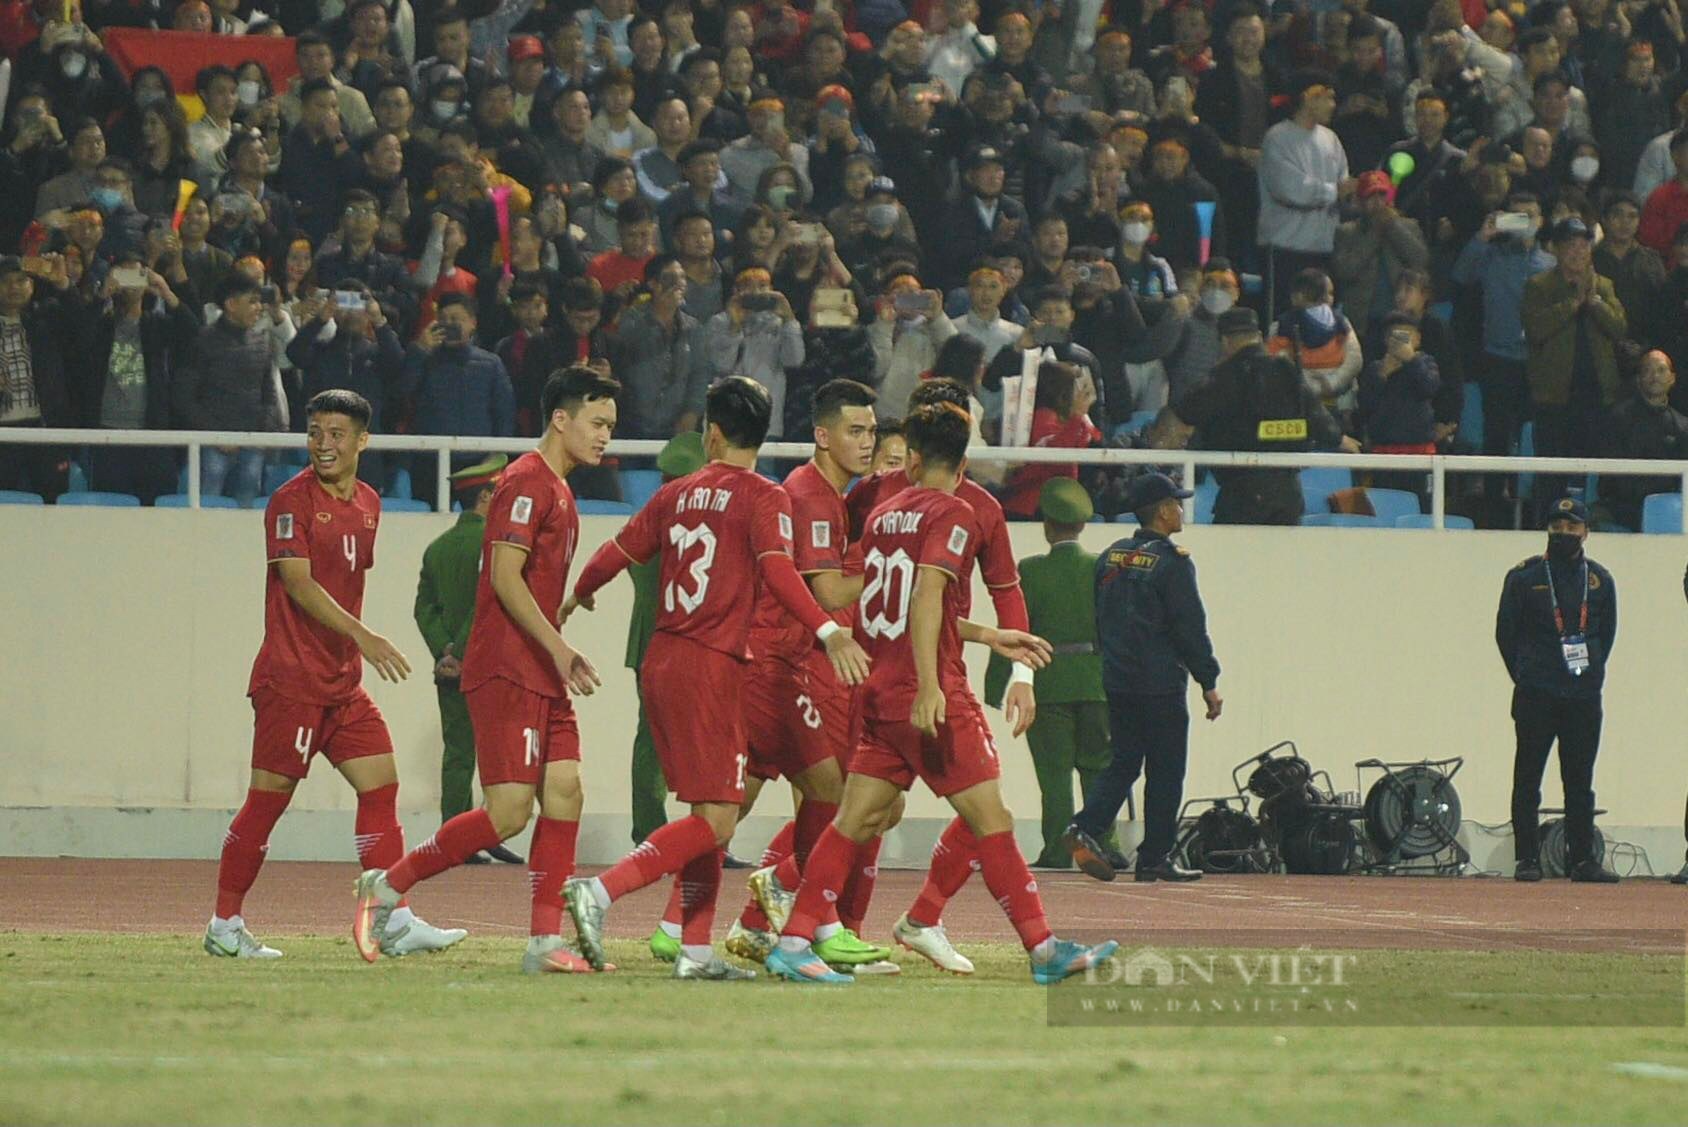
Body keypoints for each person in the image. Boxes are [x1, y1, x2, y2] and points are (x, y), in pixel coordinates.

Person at [759, 402, 1117, 985]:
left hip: (877, 690)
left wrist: (989, 635)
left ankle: (794, 940)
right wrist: (931, 685)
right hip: (928, 691)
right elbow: (926, 597)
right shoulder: (955, 514)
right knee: (991, 818)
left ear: (916, 457)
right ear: (965, 459)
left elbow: (889, 603)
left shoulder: (884, 512)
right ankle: (1042, 947)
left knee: (854, 819)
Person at [560, 376, 871, 980]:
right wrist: (829, 629)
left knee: (715, 807)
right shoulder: (764, 496)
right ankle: (600, 892)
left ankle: (695, 950)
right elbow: (781, 572)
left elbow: (619, 551)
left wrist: (578, 593)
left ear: (713, 433)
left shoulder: (676, 493)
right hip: (712, 664)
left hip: (666, 658)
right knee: (717, 820)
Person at [354, 367, 621, 973]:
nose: (606, 437)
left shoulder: (559, 487)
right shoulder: (525, 482)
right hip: (507, 667)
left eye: (610, 426)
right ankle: (389, 886)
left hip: (540, 669)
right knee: (507, 813)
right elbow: (503, 577)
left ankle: (542, 942)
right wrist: (558, 647)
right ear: (561, 418)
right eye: (598, 423)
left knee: (565, 792)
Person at [209, 389, 465, 961]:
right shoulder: (288, 502)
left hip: (341, 685)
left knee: (381, 785)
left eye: (336, 434)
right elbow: (299, 584)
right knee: (266, 803)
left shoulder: (371, 501)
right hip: (291, 681)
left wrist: (351, 649)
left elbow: (346, 580)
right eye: (316, 433)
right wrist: (364, 636)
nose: (324, 444)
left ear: (362, 440)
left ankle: (391, 920)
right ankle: (224, 923)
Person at [658, 380, 892, 972]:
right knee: (835, 794)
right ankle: (811, 917)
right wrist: (890, 556)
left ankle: (680, 924)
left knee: (727, 812)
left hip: (779, 663)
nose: (867, 443)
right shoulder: (808, 497)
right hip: (780, 666)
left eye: (872, 432)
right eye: (856, 432)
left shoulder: (831, 496)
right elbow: (826, 589)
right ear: (822, 435)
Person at [1064, 472, 1221, 884]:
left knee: (1124, 762)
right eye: (1177, 504)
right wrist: (1209, 680)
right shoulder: (1173, 564)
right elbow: (1189, 628)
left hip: (1118, 680)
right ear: (1165, 511)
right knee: (1166, 771)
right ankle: (1154, 856)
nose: (1181, 509)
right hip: (1161, 683)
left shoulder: (1110, 556)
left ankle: (1084, 825)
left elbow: (1099, 616)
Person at [984, 479, 1125, 871]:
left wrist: (998, 685)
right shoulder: (1102, 569)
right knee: (1099, 768)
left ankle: (1057, 850)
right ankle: (1103, 843)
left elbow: (1013, 628)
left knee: (1054, 773)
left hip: (1047, 684)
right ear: (1081, 525)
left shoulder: (1030, 571)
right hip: (1097, 683)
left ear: (1047, 524)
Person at [1496, 497, 1618, 884]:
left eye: (1571, 527)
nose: (1563, 533)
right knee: (1528, 777)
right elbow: (1505, 634)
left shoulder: (1600, 580)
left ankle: (1582, 860)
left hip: (1582, 696)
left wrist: (1589, 672)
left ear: (1586, 532)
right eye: (1557, 526)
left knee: (1580, 781)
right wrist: (1526, 674)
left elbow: (1607, 634)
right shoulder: (1524, 576)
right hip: (1536, 692)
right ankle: (1527, 859)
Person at [412, 455, 522, 865]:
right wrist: (462, 651)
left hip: (449, 671)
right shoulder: (496, 546)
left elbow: (423, 609)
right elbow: (489, 604)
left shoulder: (437, 548)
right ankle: (488, 829)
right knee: (498, 753)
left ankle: (454, 836)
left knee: (457, 753)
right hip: (490, 667)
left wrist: (445, 651)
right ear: (486, 497)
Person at [1174, 307, 1355, 525]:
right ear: (1259, 337)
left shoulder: (1222, 377)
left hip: (1241, 493)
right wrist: (1341, 439)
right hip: (1288, 493)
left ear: (1224, 341)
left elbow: (1185, 412)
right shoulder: (1286, 370)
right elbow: (1321, 422)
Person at [623, 432, 708, 849]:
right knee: (700, 742)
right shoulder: (686, 523)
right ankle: (699, 831)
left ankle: (650, 831)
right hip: (689, 644)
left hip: (648, 644)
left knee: (651, 744)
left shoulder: (646, 521)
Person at [1258, 70, 1354, 321]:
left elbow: (1344, 181)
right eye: (1327, 98)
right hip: (1284, 249)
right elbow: (1290, 190)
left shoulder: (1331, 139)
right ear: (1308, 98)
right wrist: (1335, 191)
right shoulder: (1277, 138)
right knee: (1282, 321)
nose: (1333, 105)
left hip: (1323, 249)